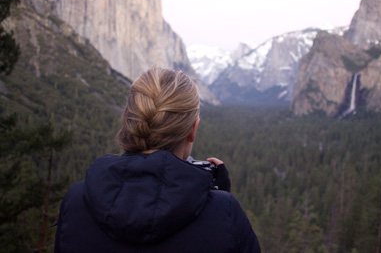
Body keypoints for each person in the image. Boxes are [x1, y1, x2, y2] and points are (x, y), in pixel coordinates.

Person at [54, 67, 261, 253]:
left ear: (129, 122)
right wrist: (217, 202)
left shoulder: (75, 200)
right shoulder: (225, 212)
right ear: (192, 130)